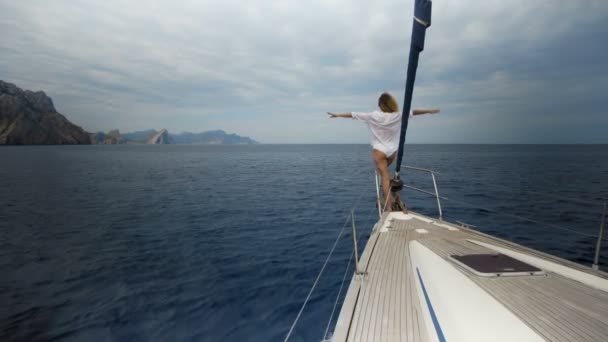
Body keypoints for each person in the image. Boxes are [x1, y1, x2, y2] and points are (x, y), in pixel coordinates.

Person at [328, 92, 439, 211]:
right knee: (385, 175)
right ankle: (389, 194)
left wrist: (338, 115)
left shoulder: (373, 115)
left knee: (384, 177)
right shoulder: (398, 115)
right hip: (392, 152)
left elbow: (353, 114)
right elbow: (414, 112)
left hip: (379, 151)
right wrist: (429, 111)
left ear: (380, 105)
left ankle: (389, 208)